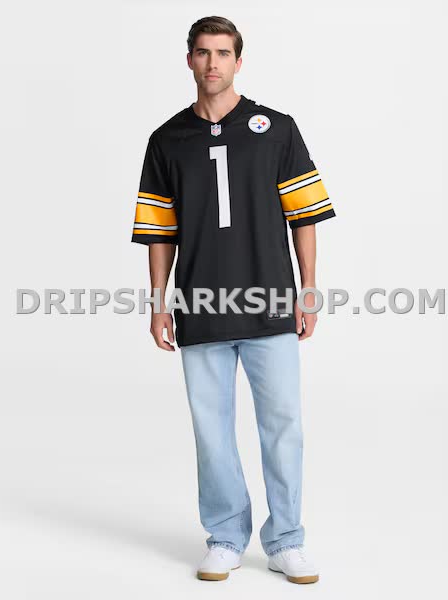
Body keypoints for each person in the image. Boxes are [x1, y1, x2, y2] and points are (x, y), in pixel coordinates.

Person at [131, 16, 335, 584]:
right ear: (189, 60)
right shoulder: (166, 140)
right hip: (200, 305)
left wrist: (308, 289)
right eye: (203, 52)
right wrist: (159, 301)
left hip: (270, 300)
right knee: (211, 429)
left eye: (223, 53)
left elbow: (304, 216)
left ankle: (287, 540)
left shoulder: (278, 129)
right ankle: (225, 536)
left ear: (239, 61)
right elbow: (159, 230)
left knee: (284, 424)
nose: (213, 63)